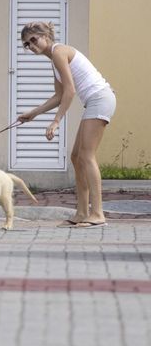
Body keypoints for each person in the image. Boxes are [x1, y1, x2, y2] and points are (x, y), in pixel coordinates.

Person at [18, 21, 116, 228]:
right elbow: (59, 95)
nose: (32, 45)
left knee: (87, 156)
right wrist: (33, 114)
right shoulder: (54, 60)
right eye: (27, 44)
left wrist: (55, 121)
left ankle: (97, 213)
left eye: (34, 39)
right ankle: (81, 212)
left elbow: (70, 91)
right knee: (76, 156)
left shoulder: (58, 52)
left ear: (45, 35)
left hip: (100, 98)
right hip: (94, 101)